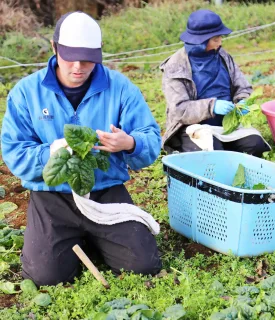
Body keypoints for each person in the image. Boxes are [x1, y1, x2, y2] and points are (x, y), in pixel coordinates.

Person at [1, 11, 162, 286]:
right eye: (69, 57)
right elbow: (15, 152)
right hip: (52, 195)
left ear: (99, 53)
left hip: (105, 191)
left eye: (87, 58)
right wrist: (52, 152)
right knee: (46, 276)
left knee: (143, 264)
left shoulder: (120, 87)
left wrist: (130, 143)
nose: (78, 66)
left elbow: (151, 139)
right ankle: (74, 240)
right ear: (54, 48)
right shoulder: (26, 92)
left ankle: (92, 237)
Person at [161, 9, 271, 156]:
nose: (220, 42)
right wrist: (212, 107)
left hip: (226, 125)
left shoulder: (223, 56)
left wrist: (243, 101)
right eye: (215, 39)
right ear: (200, 41)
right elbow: (179, 109)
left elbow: (243, 86)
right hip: (193, 128)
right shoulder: (176, 66)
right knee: (214, 150)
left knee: (255, 145)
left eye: (220, 37)